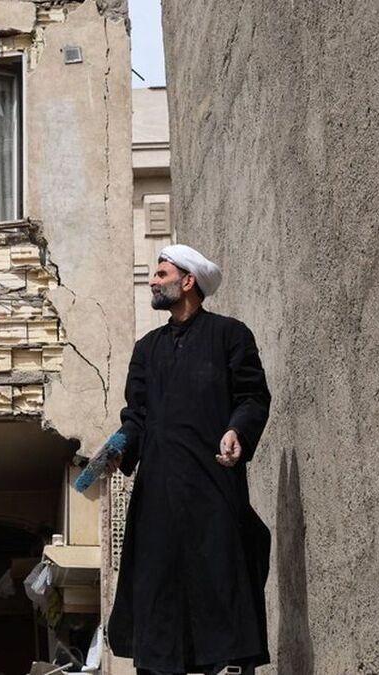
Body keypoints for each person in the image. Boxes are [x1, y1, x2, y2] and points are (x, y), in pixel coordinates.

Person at [106, 244, 272, 675]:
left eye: (161, 273)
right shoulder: (147, 349)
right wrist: (119, 446)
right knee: (159, 599)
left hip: (213, 492)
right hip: (157, 501)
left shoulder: (230, 336)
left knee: (221, 587)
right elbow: (136, 417)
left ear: (188, 281)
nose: (153, 280)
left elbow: (252, 396)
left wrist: (237, 430)